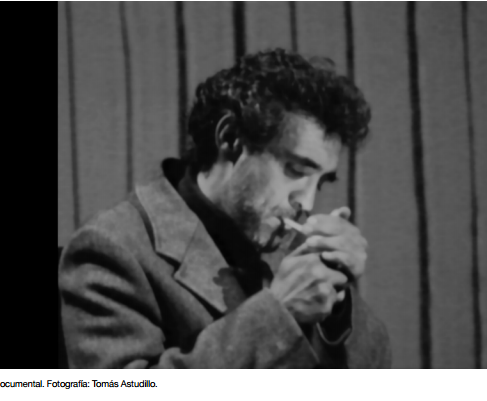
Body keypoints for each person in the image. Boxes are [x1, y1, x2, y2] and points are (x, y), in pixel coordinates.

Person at [59, 49, 390, 368]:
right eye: (295, 170)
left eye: (321, 182)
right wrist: (279, 315)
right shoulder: (112, 248)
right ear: (230, 138)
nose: (307, 203)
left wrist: (336, 305)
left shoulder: (289, 245)